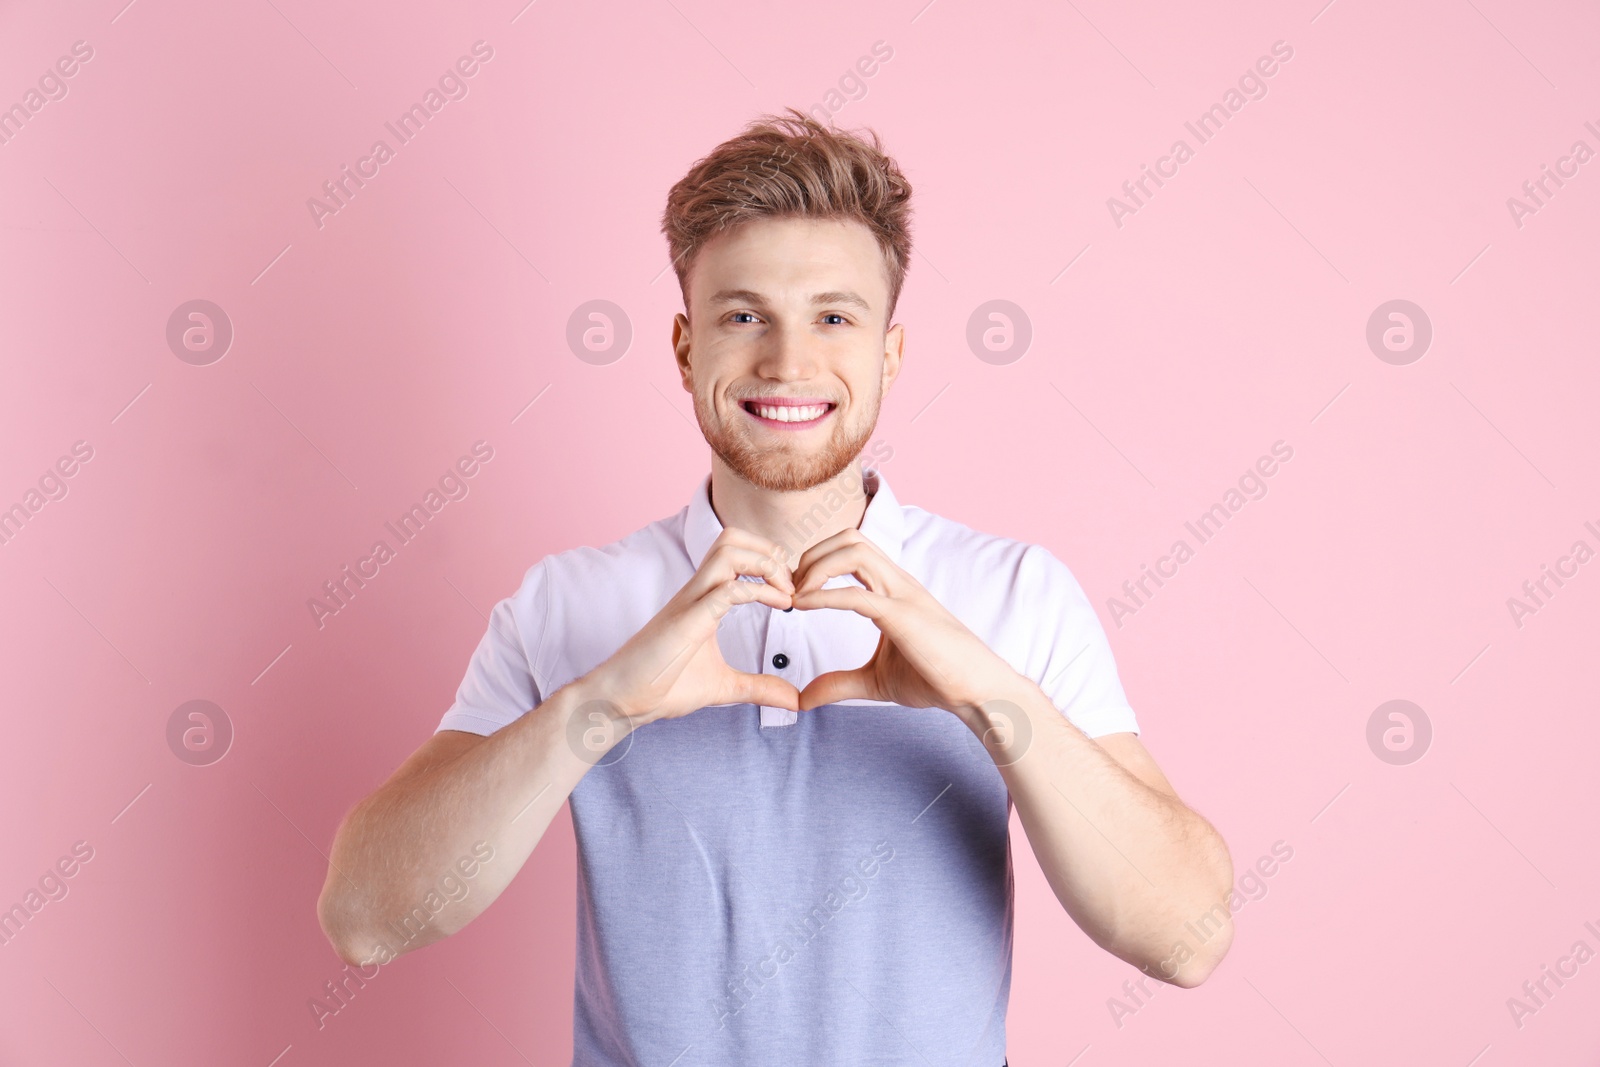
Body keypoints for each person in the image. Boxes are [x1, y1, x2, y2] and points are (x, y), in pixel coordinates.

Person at [316, 107, 1234, 1066]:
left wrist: (992, 699)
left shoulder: (1016, 595)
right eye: (743, 315)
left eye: (834, 317)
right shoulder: (568, 605)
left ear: (889, 353)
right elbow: (367, 920)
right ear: (685, 349)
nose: (788, 362)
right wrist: (596, 710)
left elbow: (1187, 937)